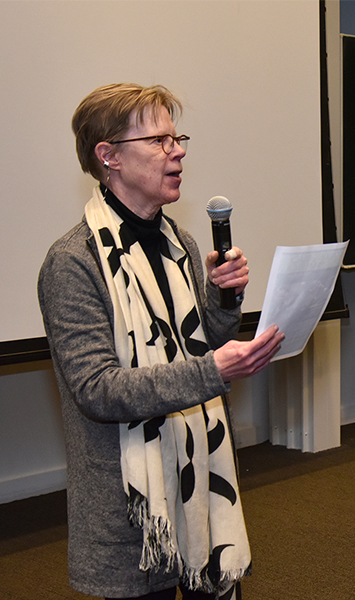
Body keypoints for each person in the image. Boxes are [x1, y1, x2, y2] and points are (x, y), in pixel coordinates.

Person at [38, 83, 285, 600]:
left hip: (200, 494)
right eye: (160, 140)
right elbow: (98, 390)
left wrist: (222, 300)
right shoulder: (73, 263)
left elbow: (200, 346)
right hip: (131, 509)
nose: (179, 151)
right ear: (110, 157)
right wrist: (212, 371)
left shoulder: (182, 243)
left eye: (179, 138)